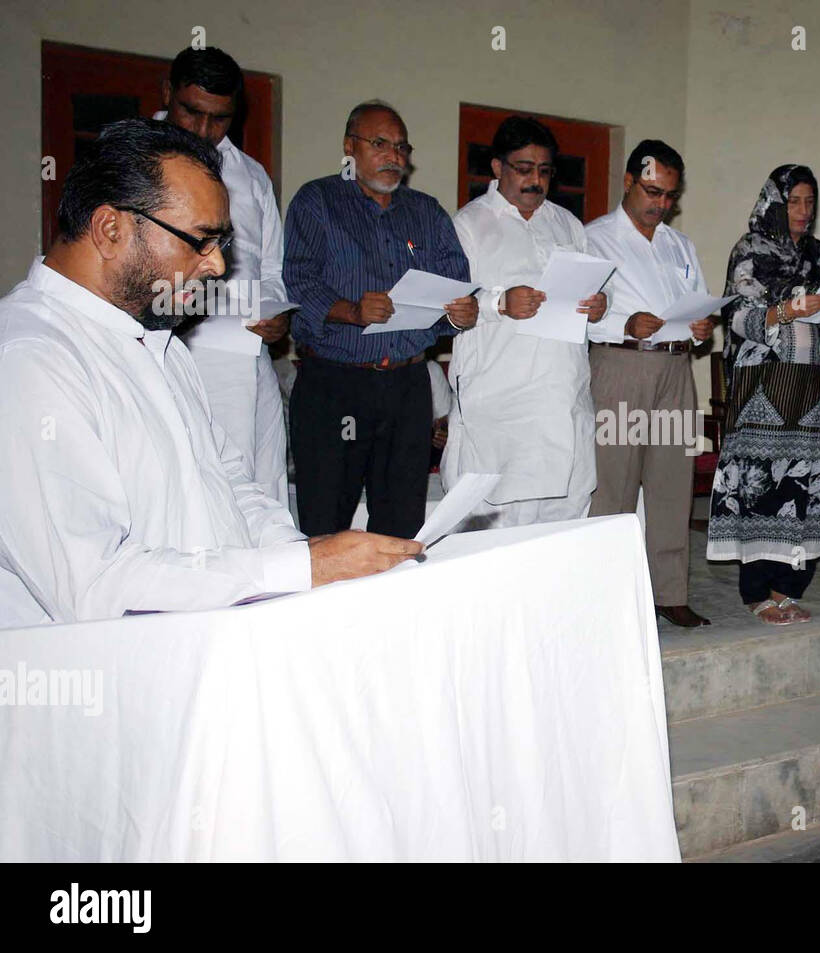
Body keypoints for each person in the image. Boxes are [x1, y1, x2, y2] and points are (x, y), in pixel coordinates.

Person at [0, 120, 421, 627]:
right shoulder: (31, 358)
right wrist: (298, 566)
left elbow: (230, 481)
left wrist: (301, 560)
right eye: (200, 240)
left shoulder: (160, 342)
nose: (218, 266)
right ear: (111, 229)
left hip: (203, 641)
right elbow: (94, 583)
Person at [284, 101, 477, 538]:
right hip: (336, 385)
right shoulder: (318, 201)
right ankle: (328, 607)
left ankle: (395, 605)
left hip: (407, 390)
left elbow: (452, 290)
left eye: (401, 147)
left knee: (402, 524)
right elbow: (297, 280)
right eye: (380, 144)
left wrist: (461, 312)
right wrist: (350, 311)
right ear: (350, 147)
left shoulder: (426, 212)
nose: (394, 156)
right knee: (328, 523)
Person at [707, 165, 820, 626]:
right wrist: (787, 310)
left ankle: (788, 587)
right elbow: (736, 317)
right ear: (774, 203)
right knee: (762, 489)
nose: (802, 211)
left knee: (804, 489)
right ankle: (758, 592)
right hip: (763, 390)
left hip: (813, 390)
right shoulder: (751, 251)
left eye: (809, 202)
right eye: (793, 201)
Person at [444, 116, 607, 528]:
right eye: (524, 169)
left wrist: (599, 306)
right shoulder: (468, 226)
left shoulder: (567, 225)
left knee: (562, 522)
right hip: (502, 404)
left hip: (562, 394)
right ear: (497, 168)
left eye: (544, 171)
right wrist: (499, 303)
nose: (535, 180)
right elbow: (446, 306)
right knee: (497, 526)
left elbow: (590, 294)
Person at [155, 47, 292, 506]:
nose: (203, 130)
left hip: (251, 356)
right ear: (167, 94)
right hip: (178, 353)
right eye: (191, 112)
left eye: (219, 119)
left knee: (263, 484)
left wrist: (275, 316)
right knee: (202, 490)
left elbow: (271, 268)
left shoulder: (251, 175)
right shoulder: (134, 160)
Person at [585, 140, 714, 627]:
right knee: (612, 488)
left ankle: (670, 592)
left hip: (676, 371)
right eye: (652, 192)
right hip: (621, 367)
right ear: (627, 181)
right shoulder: (593, 239)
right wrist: (623, 324)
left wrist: (701, 326)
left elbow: (695, 302)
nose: (661, 205)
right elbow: (574, 312)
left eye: (669, 197)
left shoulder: (680, 245)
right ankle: (602, 599)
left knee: (671, 485)